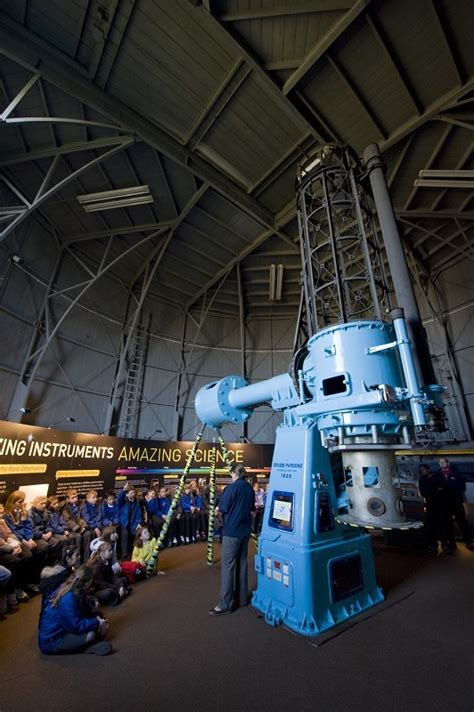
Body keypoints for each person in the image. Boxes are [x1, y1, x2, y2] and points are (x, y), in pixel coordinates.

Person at [209, 464, 255, 616]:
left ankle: (225, 605)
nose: (231, 477)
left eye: (231, 474)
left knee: (228, 566)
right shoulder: (249, 488)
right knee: (242, 563)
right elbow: (252, 508)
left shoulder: (231, 488)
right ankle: (241, 599)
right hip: (245, 531)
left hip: (232, 532)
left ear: (235, 473)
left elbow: (222, 508)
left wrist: (216, 512)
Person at [38, 565, 111, 655]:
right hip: (52, 640)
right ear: (87, 583)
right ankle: (88, 646)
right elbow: (76, 626)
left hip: (64, 629)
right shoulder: (68, 597)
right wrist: (97, 623)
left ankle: (88, 644)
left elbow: (83, 609)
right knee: (91, 634)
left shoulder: (75, 589)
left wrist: (97, 618)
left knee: (97, 616)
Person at [438, 457, 474, 550]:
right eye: (440, 462)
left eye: (444, 462)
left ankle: (469, 540)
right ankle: (451, 542)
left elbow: (461, 487)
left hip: (456, 503)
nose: (442, 464)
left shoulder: (456, 475)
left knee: (462, 522)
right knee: (448, 523)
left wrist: (451, 492)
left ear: (447, 463)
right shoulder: (437, 476)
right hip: (444, 504)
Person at [418, 464, 448, 553]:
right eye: (421, 470)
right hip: (430, 506)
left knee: (442, 525)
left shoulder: (437, 477)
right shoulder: (422, 480)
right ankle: (433, 545)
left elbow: (443, 488)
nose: (422, 472)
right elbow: (424, 493)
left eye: (423, 469)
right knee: (431, 526)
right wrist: (436, 491)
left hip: (440, 505)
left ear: (428, 469)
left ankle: (445, 544)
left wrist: (431, 491)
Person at [117, 483, 142, 558]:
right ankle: (124, 555)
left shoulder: (136, 503)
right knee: (125, 534)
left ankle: (135, 553)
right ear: (127, 494)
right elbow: (119, 498)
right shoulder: (123, 502)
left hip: (133, 523)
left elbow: (139, 514)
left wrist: (138, 523)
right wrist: (124, 490)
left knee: (138, 532)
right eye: (131, 493)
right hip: (124, 523)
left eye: (134, 493)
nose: (133, 494)